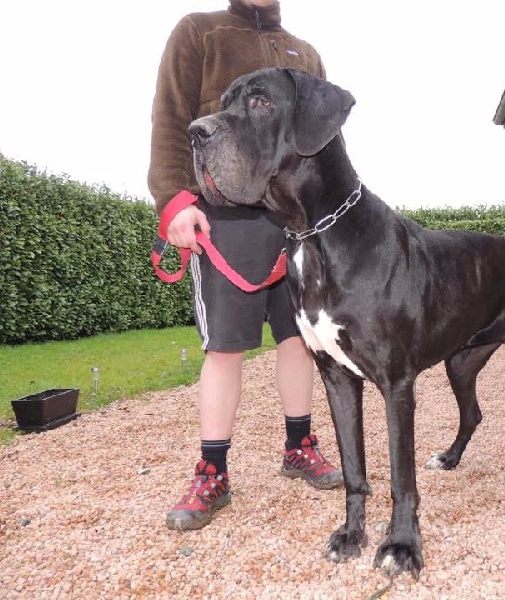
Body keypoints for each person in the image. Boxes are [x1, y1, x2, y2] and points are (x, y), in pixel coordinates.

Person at [148, 0, 343, 532]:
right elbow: (170, 119)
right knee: (225, 348)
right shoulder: (199, 32)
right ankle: (212, 471)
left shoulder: (305, 54)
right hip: (225, 218)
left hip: (297, 221)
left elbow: (327, 142)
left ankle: (299, 446)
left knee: (299, 338)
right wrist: (174, 200)